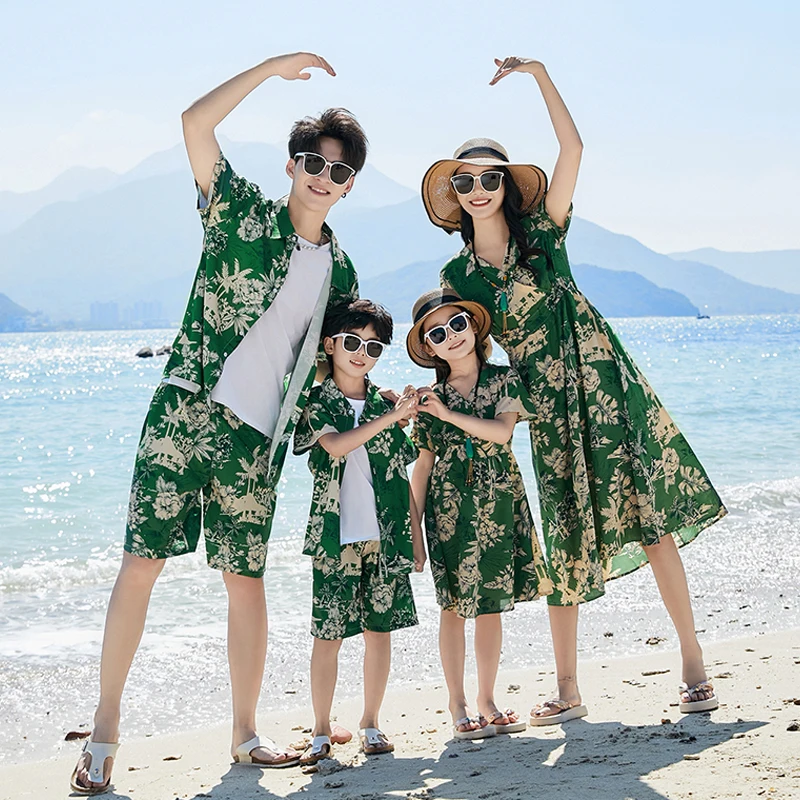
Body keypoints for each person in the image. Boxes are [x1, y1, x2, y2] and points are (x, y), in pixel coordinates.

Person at [71, 52, 368, 793]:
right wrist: (271, 71)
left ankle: (244, 733)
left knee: (247, 582)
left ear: (350, 184)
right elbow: (193, 122)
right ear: (293, 164)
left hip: (253, 442)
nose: (321, 177)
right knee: (142, 563)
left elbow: (338, 368)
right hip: (185, 413)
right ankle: (105, 728)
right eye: (310, 161)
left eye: (336, 170)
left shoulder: (341, 273)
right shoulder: (238, 209)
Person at [419, 57, 727, 726]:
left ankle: (694, 662)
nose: (477, 189)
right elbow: (459, 347)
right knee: (563, 534)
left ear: (506, 185)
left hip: (603, 381)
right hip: (544, 402)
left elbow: (574, 148)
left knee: (649, 519)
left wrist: (539, 75)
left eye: (489, 178)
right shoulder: (457, 273)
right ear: (455, 192)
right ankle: (567, 688)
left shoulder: (543, 237)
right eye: (465, 180)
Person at [407, 289, 552, 739]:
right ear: (428, 347)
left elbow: (501, 434)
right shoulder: (429, 400)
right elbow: (423, 466)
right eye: (437, 332)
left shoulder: (504, 380)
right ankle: (457, 703)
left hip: (500, 505)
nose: (451, 336)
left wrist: (449, 415)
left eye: (457, 324)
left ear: (473, 327)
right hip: (448, 513)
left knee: (491, 607)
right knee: (452, 608)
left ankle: (487, 698)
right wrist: (414, 531)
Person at [293, 299, 425, 764]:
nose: (361, 353)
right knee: (327, 636)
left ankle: (371, 722)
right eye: (351, 342)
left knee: (378, 632)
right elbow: (334, 447)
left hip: (385, 537)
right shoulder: (317, 404)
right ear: (330, 344)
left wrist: (417, 537)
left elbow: (402, 475)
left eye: (373, 346)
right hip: (335, 538)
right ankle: (321, 729)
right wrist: (390, 416)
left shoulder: (382, 401)